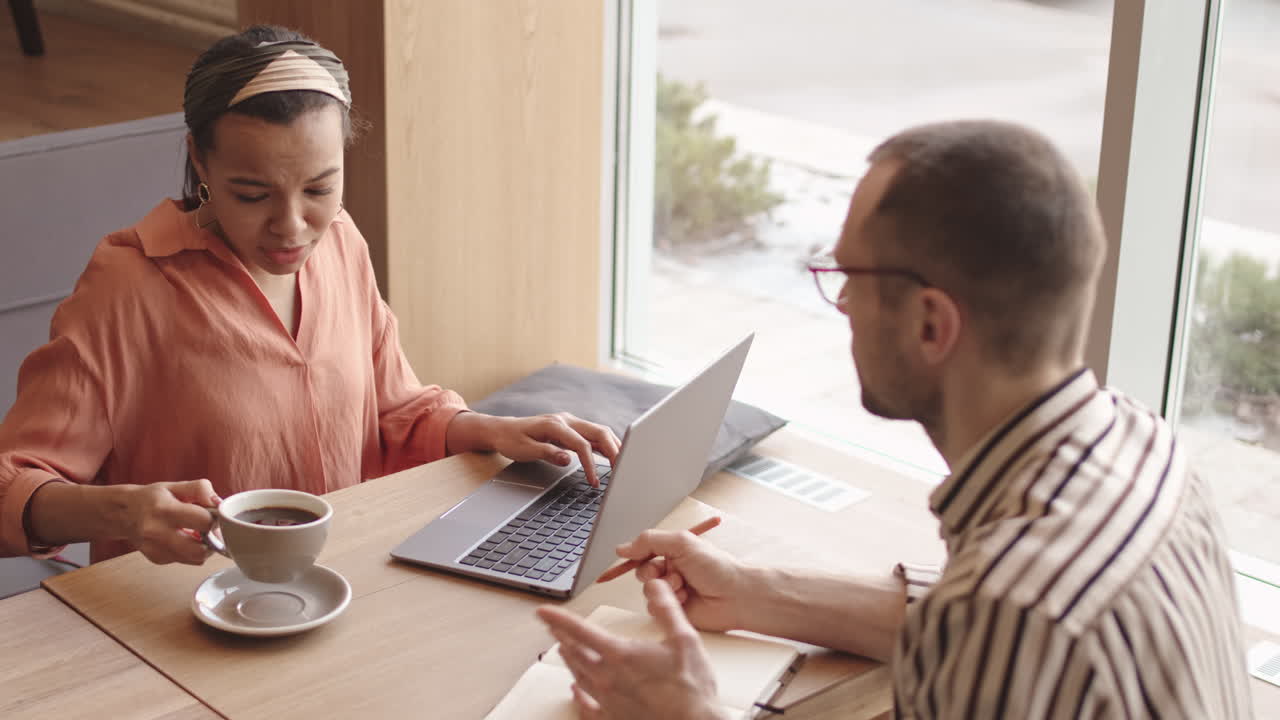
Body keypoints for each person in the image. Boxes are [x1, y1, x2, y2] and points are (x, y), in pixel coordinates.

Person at [537, 120, 1253, 718]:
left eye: (850, 278)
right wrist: (755, 592)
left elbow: (999, 623)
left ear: (931, 323)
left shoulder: (1012, 616)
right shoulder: (1144, 448)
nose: (842, 306)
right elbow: (974, 620)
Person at [0, 25, 618, 567]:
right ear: (199, 160)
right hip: (185, 616)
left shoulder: (342, 241)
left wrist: (493, 430)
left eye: (320, 188)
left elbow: (396, 415)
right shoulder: (128, 286)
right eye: (252, 195)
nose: (292, 227)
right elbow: (13, 486)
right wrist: (124, 514)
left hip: (347, 588)